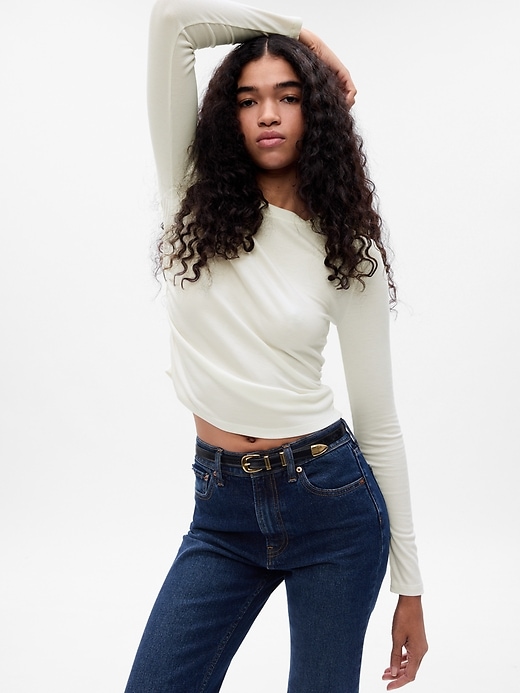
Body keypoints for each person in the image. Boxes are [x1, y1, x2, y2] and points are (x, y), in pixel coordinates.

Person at [125, 0, 428, 691]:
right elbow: (173, 20)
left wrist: (410, 586)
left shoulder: (346, 252)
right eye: (249, 99)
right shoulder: (188, 196)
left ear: (314, 114)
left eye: (288, 97)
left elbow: (379, 423)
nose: (268, 114)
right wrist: (301, 35)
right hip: (221, 510)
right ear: (227, 117)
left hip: (332, 505)